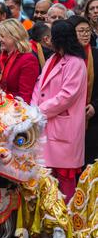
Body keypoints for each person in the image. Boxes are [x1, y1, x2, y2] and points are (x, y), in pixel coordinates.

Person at [31, 20, 87, 203]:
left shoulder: (76, 63)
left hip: (63, 126)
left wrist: (39, 110)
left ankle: (64, 221)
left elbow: (66, 96)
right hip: (45, 123)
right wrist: (32, 109)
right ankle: (47, 220)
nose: (48, 40)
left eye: (52, 36)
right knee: (46, 176)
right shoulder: (52, 59)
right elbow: (39, 86)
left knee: (65, 178)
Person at [68, 15, 98, 165]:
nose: (85, 34)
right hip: (69, 117)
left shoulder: (96, 54)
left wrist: (95, 105)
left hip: (92, 118)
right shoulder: (66, 57)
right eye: (81, 31)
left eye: (87, 31)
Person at [0, 19, 39, 104]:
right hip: (0, 106)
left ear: (14, 37)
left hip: (16, 110)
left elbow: (25, 96)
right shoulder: (1, 57)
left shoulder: (28, 60)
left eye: (2, 36)